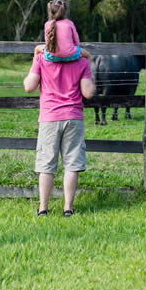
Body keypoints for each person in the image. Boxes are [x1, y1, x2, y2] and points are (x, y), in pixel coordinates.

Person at [24, 43, 95, 217]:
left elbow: (29, 86)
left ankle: (43, 208)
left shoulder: (41, 59)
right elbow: (88, 93)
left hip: (49, 118)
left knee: (46, 165)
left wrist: (35, 57)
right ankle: (68, 208)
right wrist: (88, 61)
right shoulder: (81, 62)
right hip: (73, 117)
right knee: (71, 164)